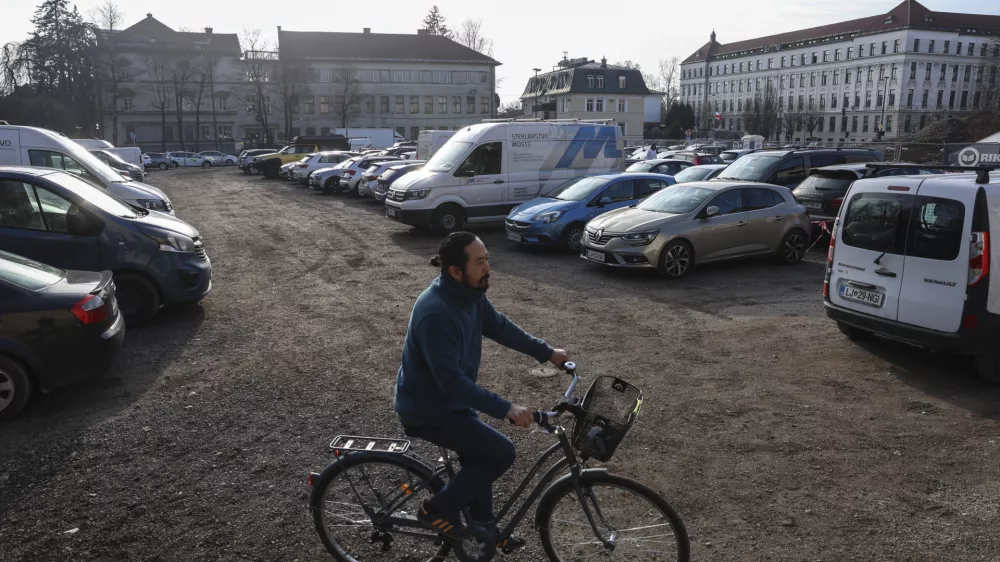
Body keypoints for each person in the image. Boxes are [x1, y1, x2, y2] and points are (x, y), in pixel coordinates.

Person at [394, 232, 569, 548]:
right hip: (427, 409)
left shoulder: (470, 295)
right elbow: (451, 381)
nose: (488, 267)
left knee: (480, 453)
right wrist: (507, 408)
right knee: (500, 452)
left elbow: (500, 327)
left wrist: (546, 351)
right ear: (456, 271)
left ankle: (484, 528)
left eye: (487, 258)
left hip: (450, 403)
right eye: (480, 262)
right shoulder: (436, 312)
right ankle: (435, 510)